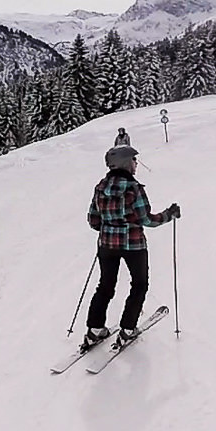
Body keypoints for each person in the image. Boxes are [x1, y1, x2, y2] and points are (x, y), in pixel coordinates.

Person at [84, 145, 181, 347]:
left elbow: (93, 220)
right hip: (133, 245)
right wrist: (168, 215)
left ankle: (94, 330)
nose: (136, 164)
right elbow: (147, 220)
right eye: (134, 161)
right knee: (139, 285)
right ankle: (127, 329)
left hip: (106, 245)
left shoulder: (100, 187)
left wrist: (109, 228)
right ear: (126, 164)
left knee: (105, 285)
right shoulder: (134, 188)